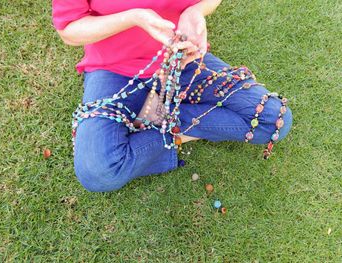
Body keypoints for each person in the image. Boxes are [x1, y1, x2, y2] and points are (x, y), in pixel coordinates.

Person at [52, 0, 293, 192]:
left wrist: (195, 10)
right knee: (98, 171)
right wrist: (133, 17)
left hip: (183, 60)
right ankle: (164, 121)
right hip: (114, 69)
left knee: (273, 119)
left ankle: (154, 121)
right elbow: (69, 30)